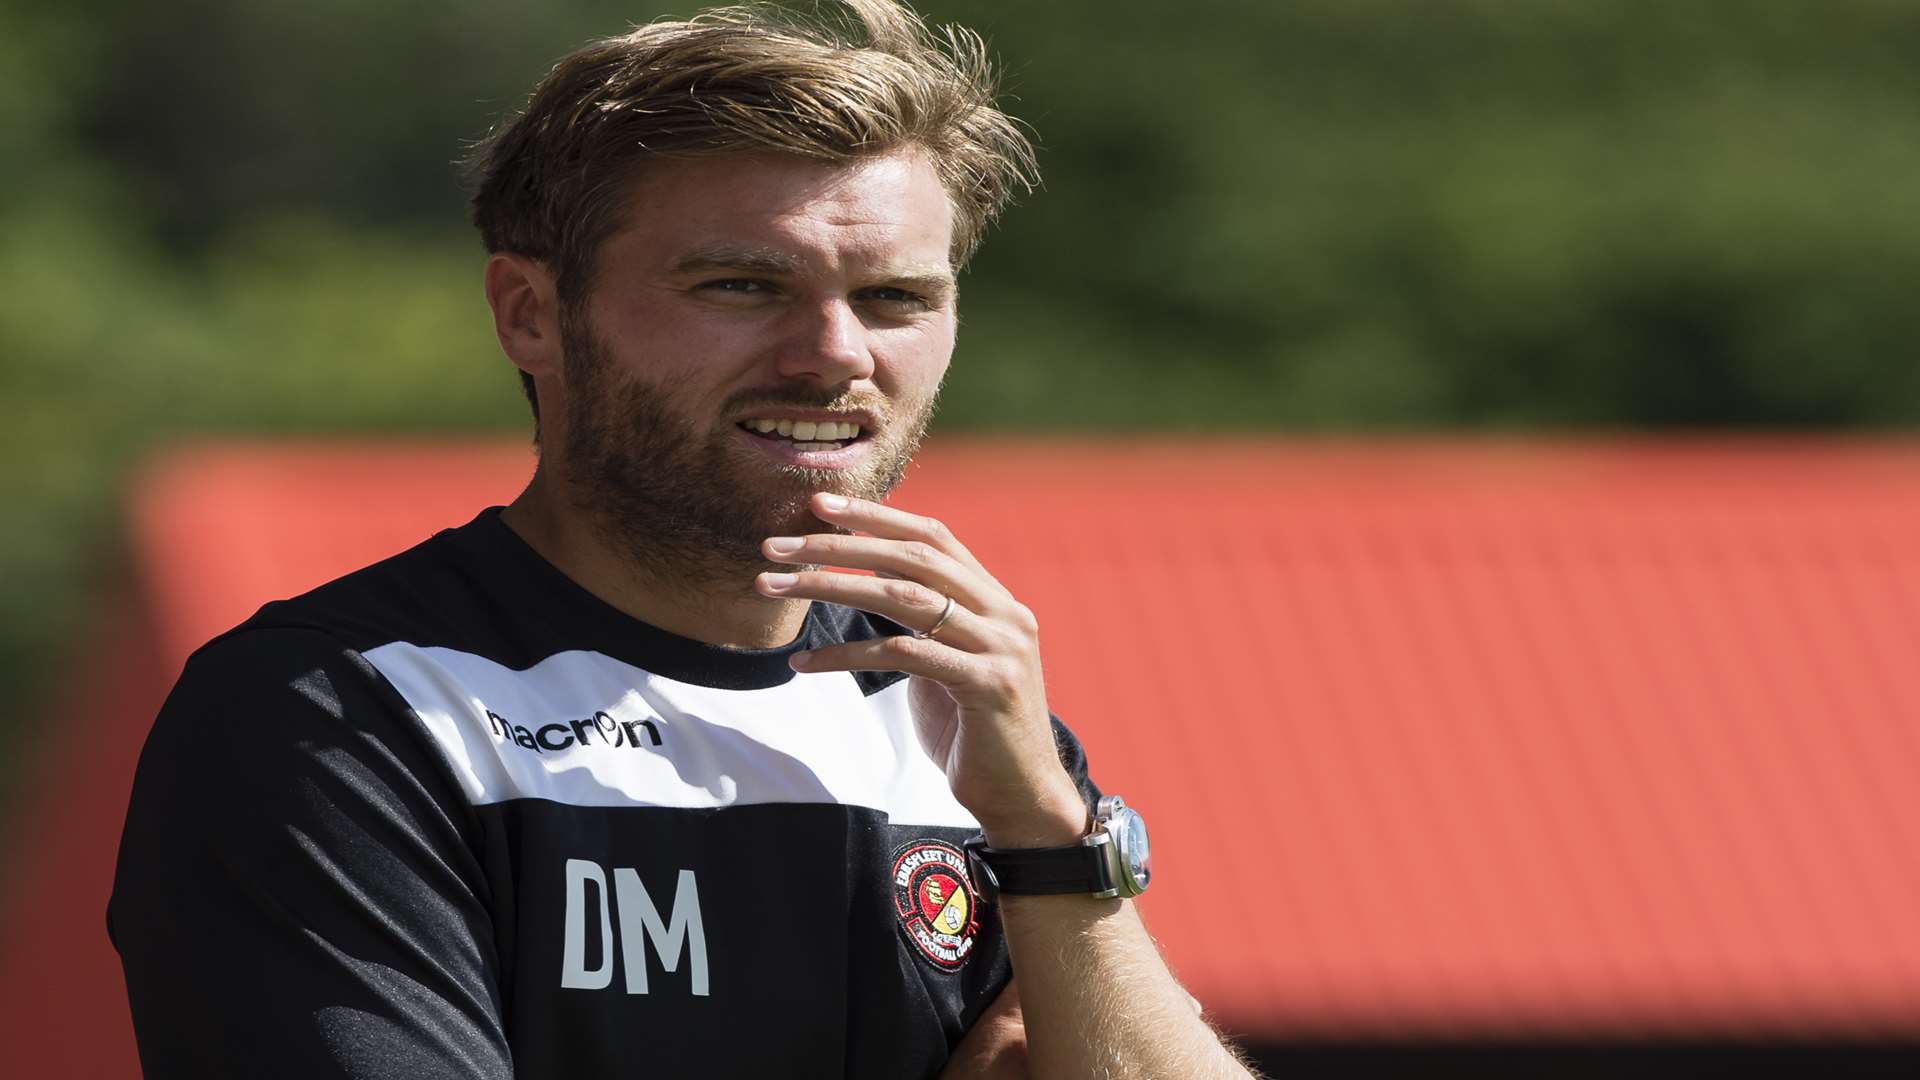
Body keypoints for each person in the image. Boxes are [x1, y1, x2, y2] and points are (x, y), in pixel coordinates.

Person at [109, 2, 1256, 1076]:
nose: (835, 354)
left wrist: (1053, 841)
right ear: (531, 314)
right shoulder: (336, 717)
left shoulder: (960, 717)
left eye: (896, 298)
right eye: (743, 285)